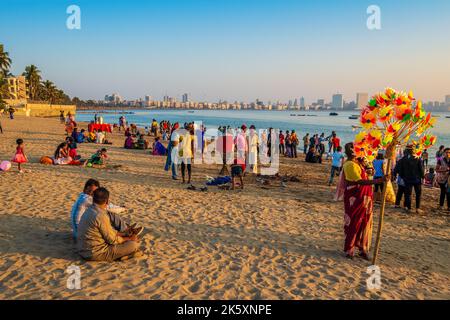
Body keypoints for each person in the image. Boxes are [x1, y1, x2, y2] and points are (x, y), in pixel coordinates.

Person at [342, 142, 385, 260]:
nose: (362, 152)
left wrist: (368, 166)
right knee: (354, 222)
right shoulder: (350, 164)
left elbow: (370, 173)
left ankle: (362, 248)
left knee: (365, 223)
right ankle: (349, 249)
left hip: (366, 198)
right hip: (355, 198)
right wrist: (378, 181)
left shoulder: (359, 163)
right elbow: (359, 181)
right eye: (359, 150)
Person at [77, 187, 142, 262]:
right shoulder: (100, 215)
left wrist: (123, 234)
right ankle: (124, 255)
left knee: (128, 240)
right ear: (107, 201)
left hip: (83, 250)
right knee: (133, 245)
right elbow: (112, 240)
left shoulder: (89, 210)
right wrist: (129, 239)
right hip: (95, 253)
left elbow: (107, 232)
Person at [70, 179, 140, 239]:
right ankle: (127, 231)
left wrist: (119, 207)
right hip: (81, 235)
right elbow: (109, 207)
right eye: (90, 191)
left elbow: (106, 205)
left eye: (94, 192)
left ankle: (126, 229)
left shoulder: (82, 196)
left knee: (103, 214)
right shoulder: (87, 199)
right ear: (85, 189)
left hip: (77, 232)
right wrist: (122, 208)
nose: (92, 193)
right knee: (109, 214)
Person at [395, 146, 425, 214]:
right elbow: (421, 169)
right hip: (417, 179)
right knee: (418, 194)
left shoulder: (403, 159)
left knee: (408, 194)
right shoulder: (418, 158)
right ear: (413, 151)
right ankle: (417, 208)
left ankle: (408, 208)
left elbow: (400, 169)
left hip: (407, 179)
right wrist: (423, 177)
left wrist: (403, 177)